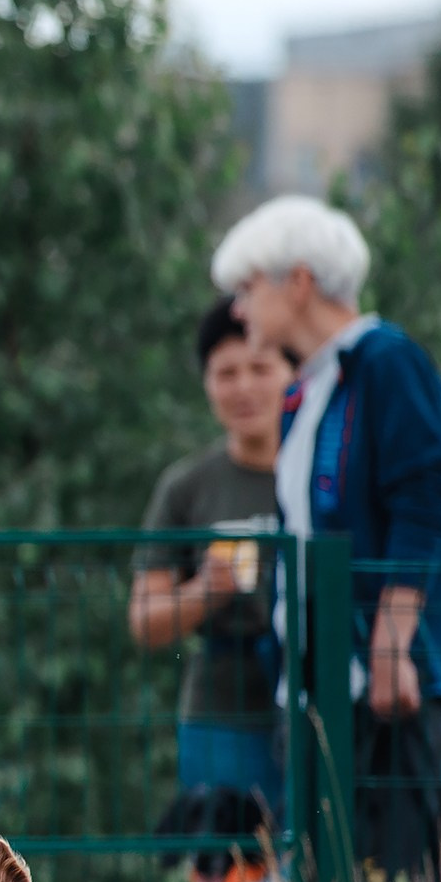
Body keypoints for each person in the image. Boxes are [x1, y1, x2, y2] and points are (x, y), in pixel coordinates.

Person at [217, 194, 441, 882]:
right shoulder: (312, 387)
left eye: (248, 286)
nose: (240, 309)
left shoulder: (385, 362)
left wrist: (393, 639)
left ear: (298, 282)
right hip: (321, 684)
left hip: (389, 684)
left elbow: (425, 498)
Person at [130, 299, 291, 806]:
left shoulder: (326, 476)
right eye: (226, 373)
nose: (244, 387)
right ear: (207, 384)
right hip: (222, 712)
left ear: (293, 372)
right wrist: (204, 592)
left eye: (260, 368)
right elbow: (144, 621)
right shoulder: (187, 488)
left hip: (323, 705)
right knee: (229, 872)